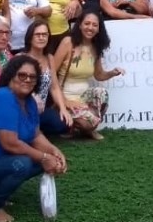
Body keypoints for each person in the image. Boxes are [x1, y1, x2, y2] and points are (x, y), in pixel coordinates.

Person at [0, 55, 68, 222]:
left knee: (40, 160)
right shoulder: (4, 97)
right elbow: (10, 143)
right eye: (22, 75)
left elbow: (35, 136)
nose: (27, 80)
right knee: (23, 163)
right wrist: (44, 157)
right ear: (11, 75)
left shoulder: (29, 102)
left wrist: (54, 152)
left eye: (32, 77)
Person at [51, 11, 124, 139]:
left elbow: (99, 75)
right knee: (89, 123)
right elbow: (51, 73)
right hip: (65, 97)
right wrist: (64, 101)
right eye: (87, 23)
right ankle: (76, 126)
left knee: (102, 93)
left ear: (99, 29)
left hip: (84, 98)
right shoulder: (68, 42)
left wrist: (113, 72)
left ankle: (86, 127)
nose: (90, 28)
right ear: (79, 25)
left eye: (94, 25)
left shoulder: (95, 47)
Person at [23, 20, 71, 135]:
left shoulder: (49, 58)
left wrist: (63, 109)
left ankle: (37, 128)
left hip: (42, 110)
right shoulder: (21, 58)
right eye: (38, 35)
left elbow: (54, 87)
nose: (41, 38)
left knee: (64, 123)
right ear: (30, 37)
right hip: (24, 109)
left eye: (44, 35)